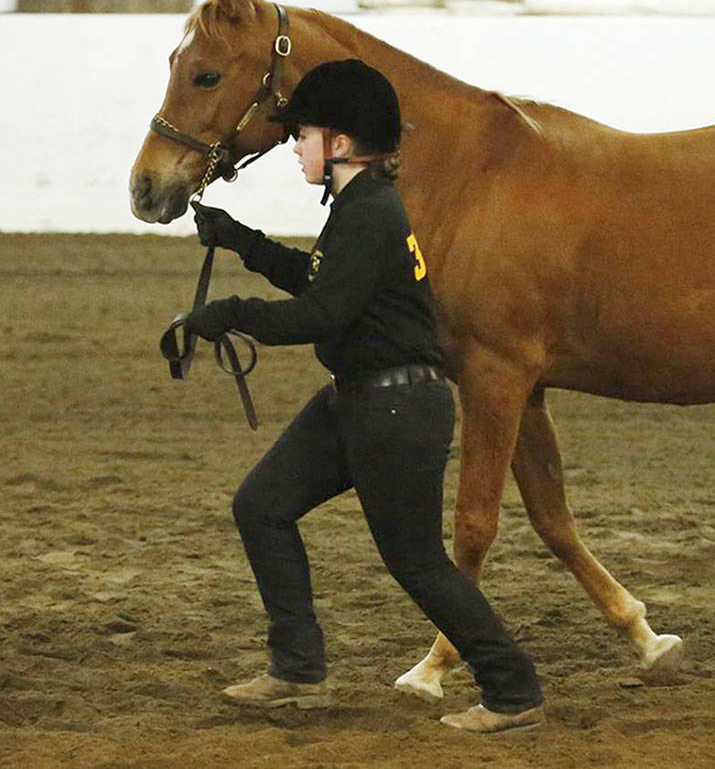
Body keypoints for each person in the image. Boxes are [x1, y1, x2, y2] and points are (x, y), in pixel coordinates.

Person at [181, 59, 545, 733]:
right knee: (261, 505)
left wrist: (231, 311)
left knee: (417, 562)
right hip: (357, 400)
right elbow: (321, 278)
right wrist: (240, 242)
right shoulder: (359, 206)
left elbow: (324, 313)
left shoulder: (371, 211)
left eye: (304, 135)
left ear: (340, 143)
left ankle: (512, 688)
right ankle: (296, 669)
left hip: (395, 410)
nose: (294, 147)